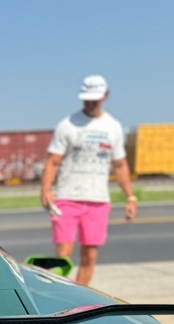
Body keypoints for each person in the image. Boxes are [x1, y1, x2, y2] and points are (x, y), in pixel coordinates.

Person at [40, 75, 136, 286]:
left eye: (95, 98)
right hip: (67, 197)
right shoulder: (67, 125)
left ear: (105, 96)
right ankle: (59, 296)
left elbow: (120, 165)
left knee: (90, 255)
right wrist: (46, 189)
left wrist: (130, 197)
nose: (91, 102)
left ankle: (80, 299)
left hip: (98, 200)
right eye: (87, 98)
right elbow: (53, 161)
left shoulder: (113, 126)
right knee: (63, 255)